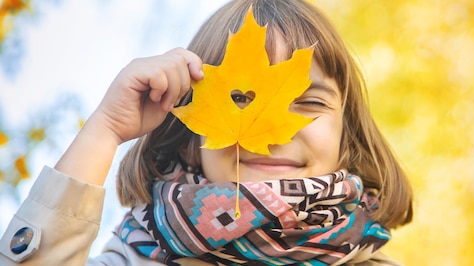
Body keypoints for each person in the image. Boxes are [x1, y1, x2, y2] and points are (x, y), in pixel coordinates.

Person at [0, 0, 413, 265]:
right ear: (190, 138)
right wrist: (105, 130)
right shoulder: (133, 259)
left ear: (349, 139)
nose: (270, 134)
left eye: (310, 103)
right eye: (238, 99)